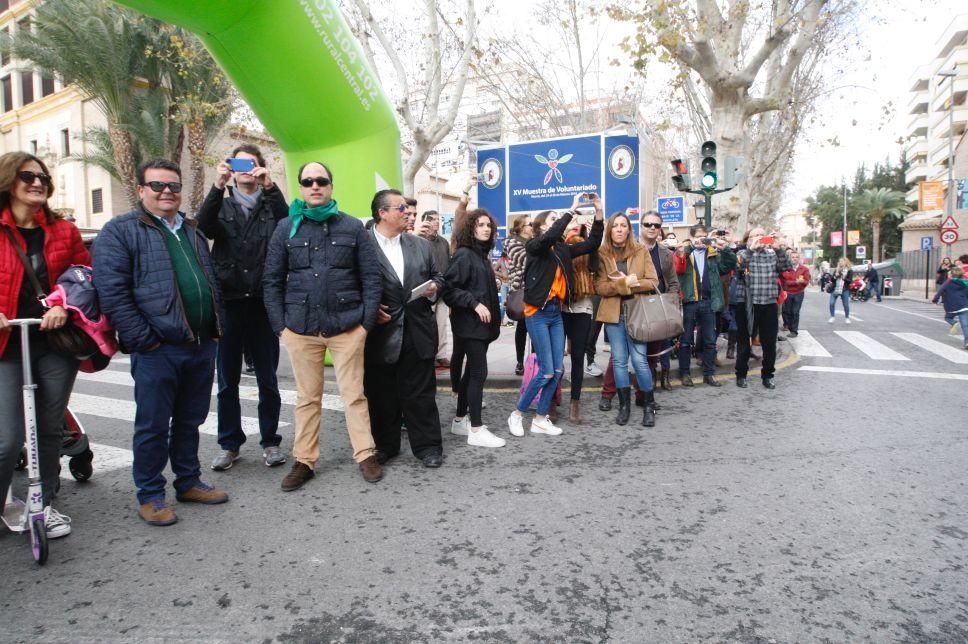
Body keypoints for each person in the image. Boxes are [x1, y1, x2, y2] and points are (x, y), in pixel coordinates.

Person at [94, 159, 227, 526]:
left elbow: (208, 280)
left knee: (190, 420)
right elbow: (113, 293)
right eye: (157, 185)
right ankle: (151, 494)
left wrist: (216, 327)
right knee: (152, 425)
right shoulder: (119, 231)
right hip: (157, 349)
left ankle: (187, 481)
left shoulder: (193, 230)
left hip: (200, 344)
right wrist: (144, 340)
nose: (166, 191)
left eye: (173, 185)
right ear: (140, 190)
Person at [263, 161, 384, 490]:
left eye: (321, 181)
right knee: (306, 399)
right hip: (300, 329)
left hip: (347, 328)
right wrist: (281, 327)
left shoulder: (353, 228)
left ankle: (365, 454)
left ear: (331, 186)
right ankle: (304, 461)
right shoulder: (286, 227)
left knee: (354, 396)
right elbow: (271, 281)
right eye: (308, 181)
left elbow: (371, 279)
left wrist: (365, 325)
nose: (314, 186)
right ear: (301, 188)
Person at [0, 151, 90, 538]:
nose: (38, 183)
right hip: (6, 344)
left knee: (50, 428)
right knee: (7, 440)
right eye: (27, 176)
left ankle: (43, 502)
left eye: (43, 178)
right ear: (8, 181)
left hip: (53, 341)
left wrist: (62, 304)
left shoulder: (63, 230)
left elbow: (84, 274)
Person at [196, 144, 288, 472]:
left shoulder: (270, 203)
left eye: (253, 164)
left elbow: (289, 223)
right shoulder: (222, 204)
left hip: (263, 303)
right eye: (239, 164)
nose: (246, 169)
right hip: (230, 302)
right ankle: (229, 443)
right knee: (227, 380)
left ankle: (270, 441)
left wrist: (271, 185)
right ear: (231, 170)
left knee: (267, 378)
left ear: (261, 168)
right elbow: (203, 227)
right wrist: (217, 184)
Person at [508, 194, 603, 438]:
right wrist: (570, 210)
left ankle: (540, 418)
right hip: (537, 314)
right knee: (547, 371)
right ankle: (517, 414)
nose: (559, 221)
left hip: (554, 313)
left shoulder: (561, 249)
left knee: (557, 370)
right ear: (541, 227)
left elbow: (591, 244)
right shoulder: (535, 246)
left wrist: (599, 213)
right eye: (553, 218)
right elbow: (550, 237)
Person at [364, 190, 446, 467]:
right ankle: (385, 446)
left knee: (421, 394)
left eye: (409, 210)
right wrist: (368, 309)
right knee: (381, 395)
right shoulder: (361, 246)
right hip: (380, 334)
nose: (408, 214)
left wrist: (435, 288)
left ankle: (429, 447)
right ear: (382, 213)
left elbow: (439, 277)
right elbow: (349, 284)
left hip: (418, 330)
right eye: (401, 209)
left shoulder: (420, 245)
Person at [444, 209, 505, 447]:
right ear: (471, 228)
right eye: (480, 225)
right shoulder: (464, 255)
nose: (486, 228)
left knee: (470, 373)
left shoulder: (480, 255)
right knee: (479, 373)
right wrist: (475, 303)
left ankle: (460, 420)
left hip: (481, 327)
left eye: (488, 225)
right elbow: (448, 290)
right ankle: (476, 430)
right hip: (470, 326)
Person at [594, 212, 660, 427]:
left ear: (629, 229)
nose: (620, 229)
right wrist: (622, 286)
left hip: (637, 314)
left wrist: (633, 282)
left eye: (624, 225)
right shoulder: (602, 253)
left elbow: (652, 281)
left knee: (640, 361)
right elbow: (600, 287)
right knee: (620, 362)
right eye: (615, 226)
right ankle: (624, 406)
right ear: (610, 230)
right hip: (613, 316)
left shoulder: (640, 250)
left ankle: (648, 406)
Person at [673, 225, 737, 387]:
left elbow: (729, 265)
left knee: (709, 341)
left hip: (708, 302)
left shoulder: (714, 254)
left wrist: (726, 247)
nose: (702, 239)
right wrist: (691, 247)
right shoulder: (684, 251)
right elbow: (677, 266)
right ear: (692, 237)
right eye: (699, 236)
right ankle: (685, 373)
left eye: (705, 236)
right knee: (686, 340)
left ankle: (709, 374)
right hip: (689, 301)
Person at [733, 228, 793, 389]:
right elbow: (738, 268)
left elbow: (787, 266)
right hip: (746, 303)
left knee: (769, 343)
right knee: (745, 341)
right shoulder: (742, 253)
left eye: (762, 235)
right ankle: (741, 375)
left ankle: (768, 375)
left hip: (768, 303)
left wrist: (779, 248)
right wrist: (750, 250)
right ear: (748, 239)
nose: (759, 238)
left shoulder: (772, 254)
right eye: (755, 236)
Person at [560, 216, 598, 424]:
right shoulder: (560, 248)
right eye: (570, 228)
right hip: (561, 306)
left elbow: (594, 266)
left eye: (577, 228)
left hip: (582, 307)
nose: (574, 231)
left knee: (577, 356)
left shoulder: (587, 249)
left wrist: (592, 242)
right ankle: (551, 400)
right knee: (556, 358)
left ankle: (575, 402)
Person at [639, 210, 680, 390]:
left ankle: (647, 389)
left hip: (658, 308)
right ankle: (609, 394)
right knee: (623, 355)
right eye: (648, 224)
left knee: (654, 353)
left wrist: (668, 304)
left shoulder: (665, 253)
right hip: (635, 307)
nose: (652, 228)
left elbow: (673, 282)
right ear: (641, 227)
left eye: (656, 225)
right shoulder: (630, 249)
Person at [416, 210, 452, 368]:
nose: (436, 222)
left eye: (438, 219)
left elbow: (447, 264)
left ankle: (441, 355)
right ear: (425, 222)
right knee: (426, 325)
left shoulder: (444, 242)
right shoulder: (417, 240)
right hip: (425, 290)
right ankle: (428, 354)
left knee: (442, 325)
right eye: (432, 219)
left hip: (442, 290)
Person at [503, 215, 532, 376]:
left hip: (535, 290)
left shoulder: (534, 241)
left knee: (536, 328)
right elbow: (525, 259)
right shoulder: (512, 242)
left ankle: (535, 359)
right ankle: (520, 361)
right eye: (530, 224)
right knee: (522, 328)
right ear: (521, 227)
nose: (532, 226)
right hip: (521, 290)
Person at [932, 265, 968, 349]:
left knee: (948, 318)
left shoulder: (948, 282)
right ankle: (967, 342)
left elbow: (940, 291)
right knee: (965, 325)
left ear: (951, 275)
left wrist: (935, 300)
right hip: (964, 306)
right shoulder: (966, 283)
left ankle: (954, 323)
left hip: (952, 306)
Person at [780, 251, 811, 338]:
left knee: (795, 312)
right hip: (788, 292)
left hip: (799, 293)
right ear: (790, 258)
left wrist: (802, 282)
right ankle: (789, 327)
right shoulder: (786, 269)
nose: (795, 259)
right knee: (787, 312)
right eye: (793, 257)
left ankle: (794, 331)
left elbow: (806, 281)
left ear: (799, 258)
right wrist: (795, 282)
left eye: (796, 257)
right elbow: (784, 282)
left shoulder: (804, 269)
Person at [825, 257, 853, 324]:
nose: (840, 263)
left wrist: (844, 277)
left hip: (844, 289)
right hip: (835, 289)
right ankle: (832, 317)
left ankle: (847, 317)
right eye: (840, 261)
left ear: (845, 262)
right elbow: (831, 279)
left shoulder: (849, 270)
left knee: (846, 304)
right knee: (831, 303)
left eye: (842, 261)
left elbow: (850, 281)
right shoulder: (836, 270)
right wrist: (835, 276)